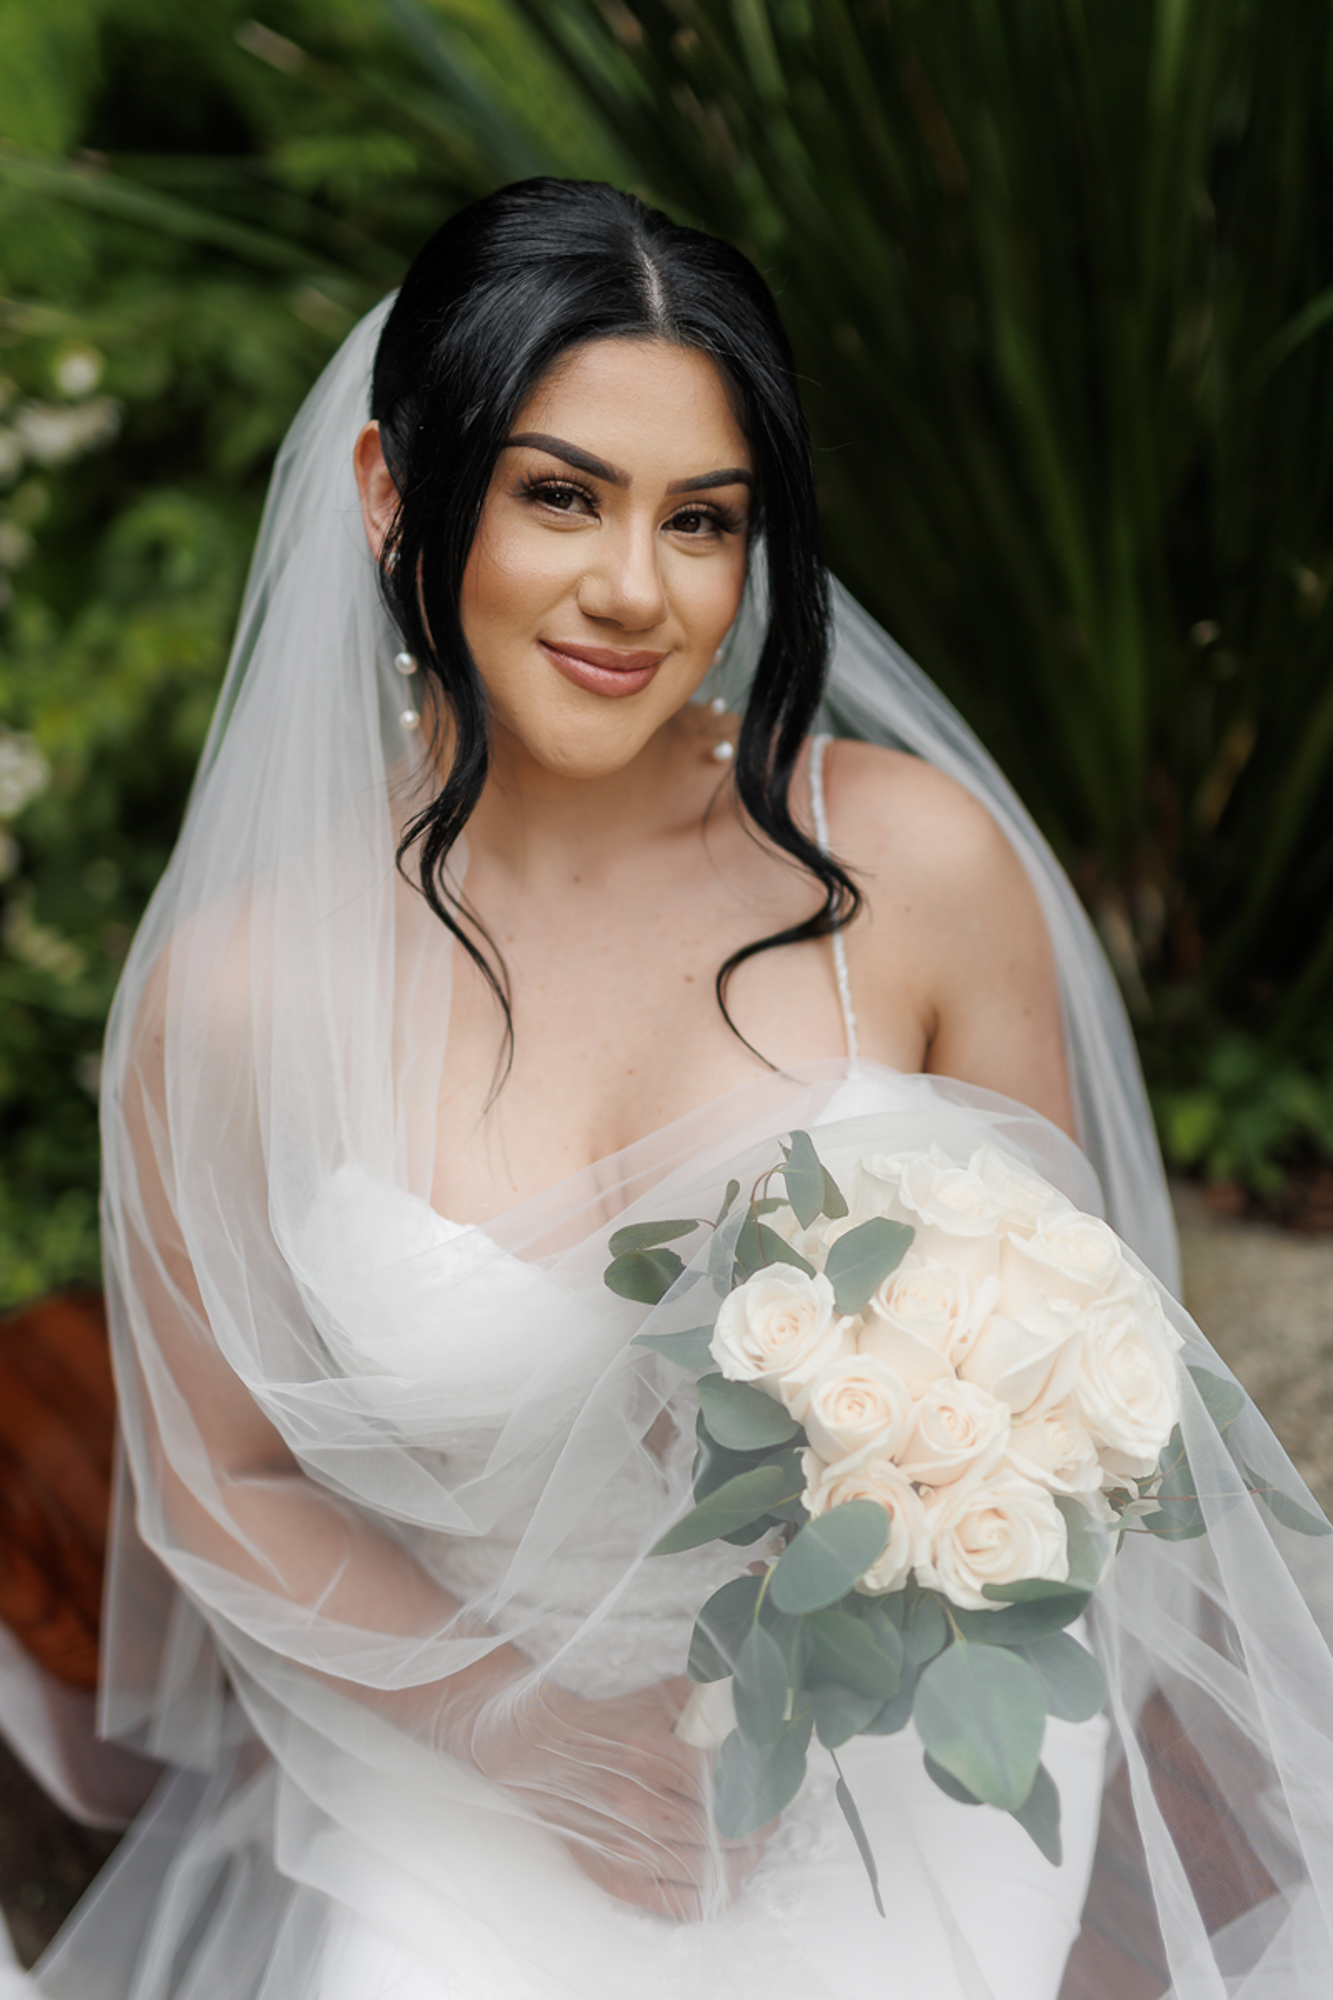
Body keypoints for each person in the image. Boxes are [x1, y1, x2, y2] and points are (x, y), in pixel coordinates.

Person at [9, 179, 1333, 1999]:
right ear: (393, 488)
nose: (638, 588)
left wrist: (905, 1548)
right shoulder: (237, 993)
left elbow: (1089, 1369)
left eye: (701, 520)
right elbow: (219, 1476)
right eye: (562, 495)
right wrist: (519, 1726)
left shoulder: (910, 875)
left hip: (895, 1771)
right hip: (474, 1761)